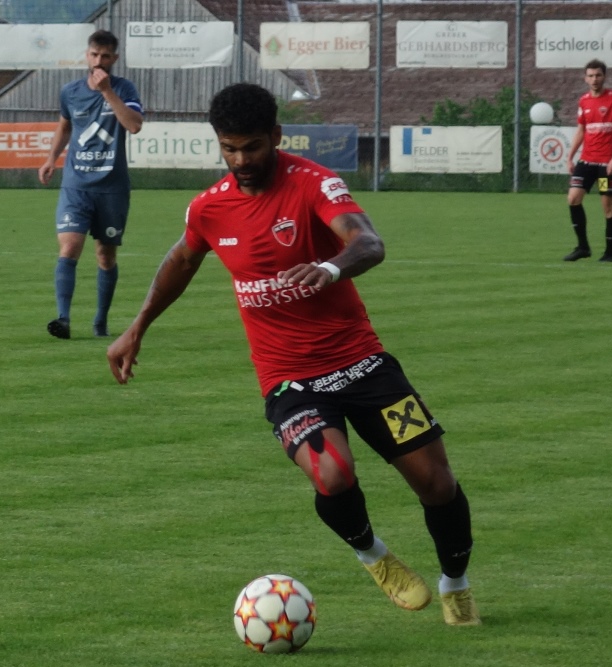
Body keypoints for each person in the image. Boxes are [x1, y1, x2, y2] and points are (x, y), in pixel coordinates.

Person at [107, 83, 480, 626]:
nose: (241, 160)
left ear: (276, 136)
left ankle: (456, 584)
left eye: (252, 147)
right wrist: (137, 326)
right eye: (229, 148)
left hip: (362, 363)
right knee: (332, 473)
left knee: (436, 482)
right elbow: (182, 259)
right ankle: (373, 554)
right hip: (290, 379)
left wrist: (330, 267)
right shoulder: (209, 207)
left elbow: (369, 242)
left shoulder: (314, 183)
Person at [39, 29, 143, 339]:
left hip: (111, 188)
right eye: (94, 55)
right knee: (70, 247)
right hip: (76, 185)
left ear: (115, 58)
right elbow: (65, 127)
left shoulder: (124, 89)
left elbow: (134, 125)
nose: (99, 61)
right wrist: (51, 158)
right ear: (87, 55)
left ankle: (100, 321)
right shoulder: (70, 91)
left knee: (105, 256)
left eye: (105, 56)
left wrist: (107, 92)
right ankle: (63, 319)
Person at [564, 59, 612, 263]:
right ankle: (583, 247)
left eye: (598, 75)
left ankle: (609, 253)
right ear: (585, 78)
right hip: (586, 162)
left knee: (607, 205)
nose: (594, 79)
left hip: (605, 165)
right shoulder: (583, 101)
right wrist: (570, 156)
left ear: (604, 76)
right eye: (590, 76)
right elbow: (581, 131)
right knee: (573, 198)